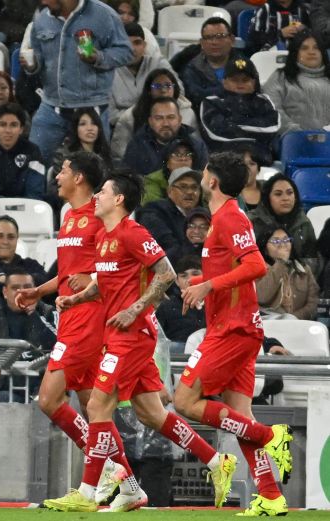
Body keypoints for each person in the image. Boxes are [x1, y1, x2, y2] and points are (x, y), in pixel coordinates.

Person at [45, 170, 236, 512]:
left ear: (119, 199)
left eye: (103, 192)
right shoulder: (104, 236)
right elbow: (105, 283)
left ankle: (87, 493)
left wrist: (134, 309)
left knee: (97, 407)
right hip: (118, 333)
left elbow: (166, 273)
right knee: (152, 414)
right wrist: (77, 299)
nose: (97, 197)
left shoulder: (133, 233)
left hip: (131, 336)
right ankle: (212, 462)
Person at [175, 151, 294, 517]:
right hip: (234, 327)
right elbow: (231, 270)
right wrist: (201, 282)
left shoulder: (230, 217)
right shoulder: (222, 218)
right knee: (240, 416)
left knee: (184, 402)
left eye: (204, 171)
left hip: (233, 328)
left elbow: (257, 265)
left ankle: (271, 436)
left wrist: (208, 285)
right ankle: (270, 496)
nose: (201, 175)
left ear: (212, 181)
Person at [15, 152, 121, 498]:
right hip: (70, 317)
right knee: (94, 408)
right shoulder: (69, 217)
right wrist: (40, 291)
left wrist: (91, 279)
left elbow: (116, 264)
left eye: (62, 170)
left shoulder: (100, 216)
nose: (57, 176)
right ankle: (127, 482)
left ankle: (106, 469)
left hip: (88, 319)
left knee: (48, 399)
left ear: (79, 178)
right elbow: (69, 272)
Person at [21, 0, 132, 164]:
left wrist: (98, 57)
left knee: (97, 167)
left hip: (93, 108)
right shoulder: (41, 17)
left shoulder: (103, 15)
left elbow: (126, 52)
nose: (43, 2)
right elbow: (38, 55)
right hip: (51, 107)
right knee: (33, 162)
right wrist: (32, 65)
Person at [199, 57, 280, 160]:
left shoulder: (264, 100)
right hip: (223, 158)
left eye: (245, 80)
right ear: (224, 82)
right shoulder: (211, 102)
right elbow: (216, 132)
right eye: (234, 80)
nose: (240, 84)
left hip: (259, 158)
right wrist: (253, 131)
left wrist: (233, 123)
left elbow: (272, 128)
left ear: (254, 82)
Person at [111, 68, 197, 164]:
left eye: (168, 85)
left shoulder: (187, 113)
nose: (163, 90)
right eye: (157, 86)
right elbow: (119, 155)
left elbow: (197, 148)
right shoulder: (130, 117)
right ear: (149, 90)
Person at [249, 173, 319, 272]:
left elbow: (312, 262)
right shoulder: (252, 222)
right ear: (267, 198)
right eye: (278, 194)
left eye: (290, 193)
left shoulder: (303, 223)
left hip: (298, 278)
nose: (286, 198)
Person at [123, 97, 208, 177]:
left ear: (179, 120)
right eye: (159, 118)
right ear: (150, 121)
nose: (165, 123)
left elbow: (205, 180)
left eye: (171, 117)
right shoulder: (137, 146)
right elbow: (128, 180)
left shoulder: (196, 146)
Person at [263, 31, 330, 134]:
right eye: (304, 48)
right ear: (295, 53)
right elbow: (272, 110)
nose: (311, 52)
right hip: (292, 139)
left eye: (316, 48)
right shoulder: (280, 77)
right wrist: (299, 134)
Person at [136, 167, 204, 267]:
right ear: (170, 191)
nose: (190, 192)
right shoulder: (154, 211)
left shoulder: (203, 214)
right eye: (183, 187)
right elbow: (168, 247)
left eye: (194, 187)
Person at [110, 23, 175, 127]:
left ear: (144, 46)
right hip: (122, 128)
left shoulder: (158, 63)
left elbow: (178, 93)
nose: (132, 49)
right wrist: (146, 116)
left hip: (159, 125)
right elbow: (111, 116)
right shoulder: (109, 71)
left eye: (137, 43)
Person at [257, 225, 319, 319]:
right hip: (269, 324)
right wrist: (281, 263)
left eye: (286, 240)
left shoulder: (303, 269)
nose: (282, 245)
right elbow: (262, 297)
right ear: (265, 248)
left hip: (300, 323)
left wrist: (292, 318)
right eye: (276, 241)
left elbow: (313, 303)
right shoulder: (257, 269)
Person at [181, 17, 245, 108]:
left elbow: (253, 90)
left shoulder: (244, 64)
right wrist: (227, 88)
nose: (214, 42)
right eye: (208, 37)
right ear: (202, 43)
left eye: (220, 36)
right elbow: (195, 98)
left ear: (232, 40)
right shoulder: (192, 69)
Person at [155, 255, 206, 349]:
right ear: (177, 281)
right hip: (176, 357)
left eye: (195, 274)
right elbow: (157, 342)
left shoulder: (217, 304)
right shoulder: (166, 307)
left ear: (206, 276)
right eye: (184, 276)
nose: (190, 280)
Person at [49, 108, 112, 182]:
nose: (90, 128)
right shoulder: (63, 155)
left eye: (94, 123)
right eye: (83, 124)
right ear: (75, 128)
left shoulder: (105, 153)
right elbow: (59, 185)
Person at [142, 139, 204, 205]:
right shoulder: (154, 180)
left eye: (188, 154)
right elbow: (153, 207)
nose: (183, 158)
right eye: (177, 154)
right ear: (167, 163)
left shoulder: (202, 179)